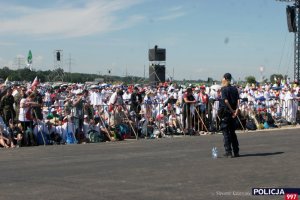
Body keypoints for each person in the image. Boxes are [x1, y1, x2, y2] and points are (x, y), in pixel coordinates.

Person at [218, 73, 240, 158]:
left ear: (225, 79)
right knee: (233, 133)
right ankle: (236, 151)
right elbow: (238, 100)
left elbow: (226, 101)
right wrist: (236, 110)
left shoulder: (224, 89)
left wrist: (232, 111)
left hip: (227, 112)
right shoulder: (234, 88)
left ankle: (228, 151)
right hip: (233, 112)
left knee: (226, 132)